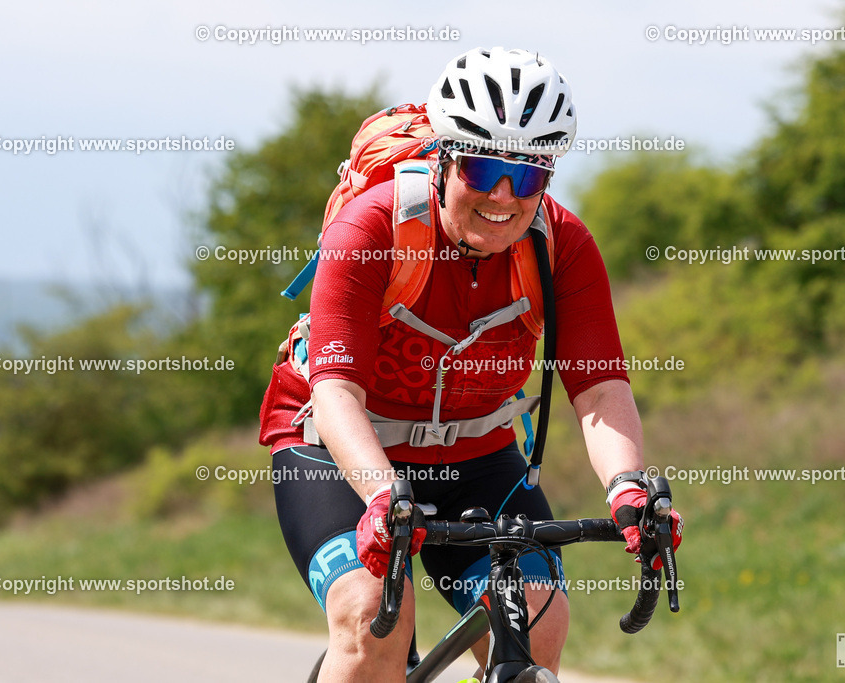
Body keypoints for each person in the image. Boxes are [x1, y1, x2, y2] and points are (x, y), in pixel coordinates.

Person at [260, 46, 683, 682]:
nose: (504, 197)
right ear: (445, 158)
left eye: (529, 177)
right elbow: (336, 387)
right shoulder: (372, 227)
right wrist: (380, 495)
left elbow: (597, 390)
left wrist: (627, 486)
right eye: (484, 170)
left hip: (474, 453)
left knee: (538, 619)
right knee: (372, 613)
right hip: (337, 443)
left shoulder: (561, 246)